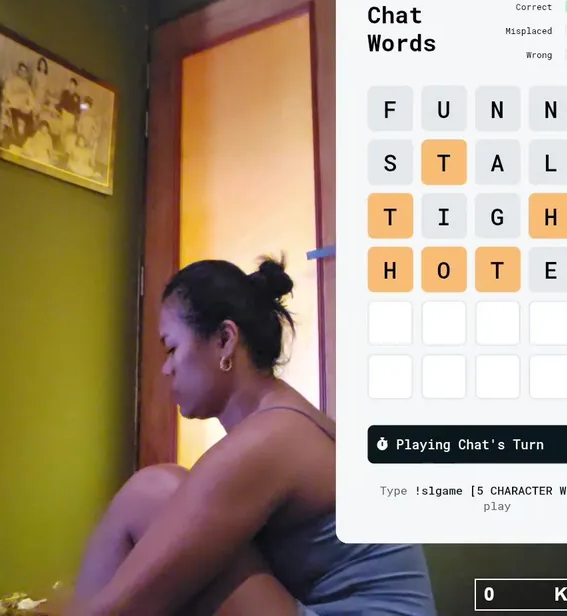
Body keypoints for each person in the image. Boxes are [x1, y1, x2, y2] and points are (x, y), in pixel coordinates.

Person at [70, 257, 436, 615]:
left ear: (225, 340)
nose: (166, 368)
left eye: (172, 347)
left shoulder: (272, 438)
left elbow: (126, 604)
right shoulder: (285, 417)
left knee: (153, 493)